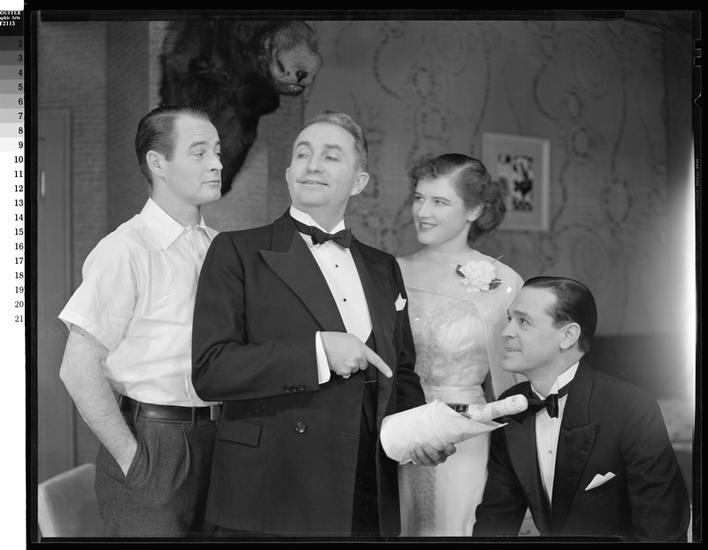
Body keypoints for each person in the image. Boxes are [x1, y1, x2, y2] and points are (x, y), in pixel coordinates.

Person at [191, 111, 437, 538]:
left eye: (331, 156)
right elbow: (211, 370)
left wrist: (421, 434)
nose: (313, 165)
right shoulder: (237, 251)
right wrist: (318, 352)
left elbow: (400, 372)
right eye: (302, 154)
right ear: (289, 175)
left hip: (366, 487)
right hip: (274, 488)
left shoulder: (384, 267)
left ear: (359, 182)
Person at [58, 104, 223, 537]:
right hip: (154, 444)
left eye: (218, 152)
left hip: (219, 442)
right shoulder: (125, 249)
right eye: (200, 152)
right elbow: (77, 368)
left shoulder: (218, 248)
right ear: (158, 163)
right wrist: (133, 459)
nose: (217, 164)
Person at [473, 276, 691, 541]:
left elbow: (662, 531)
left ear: (568, 336)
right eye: (510, 319)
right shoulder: (511, 404)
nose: (506, 331)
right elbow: (496, 516)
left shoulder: (631, 408)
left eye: (523, 321)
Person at [396, 153, 524, 536]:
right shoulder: (389, 271)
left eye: (439, 201)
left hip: (465, 435)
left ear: (474, 210)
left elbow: (514, 384)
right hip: (400, 428)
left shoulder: (503, 282)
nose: (423, 211)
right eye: (419, 198)